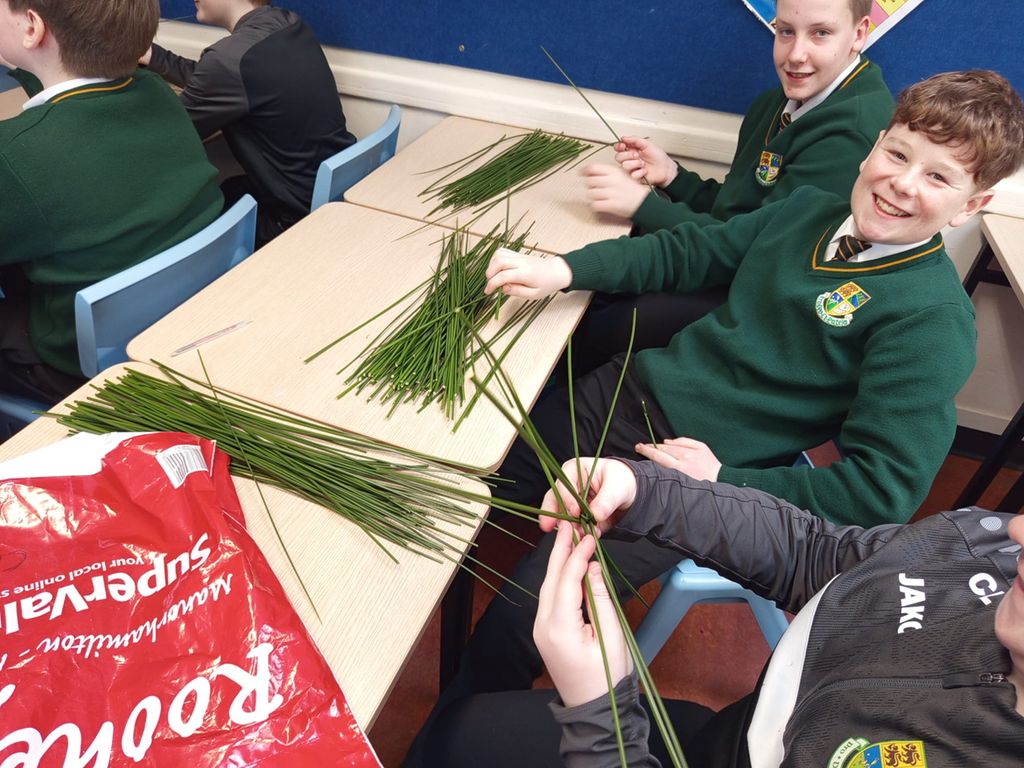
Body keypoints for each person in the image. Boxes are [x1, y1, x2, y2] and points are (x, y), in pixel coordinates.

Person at [403, 70, 1024, 765]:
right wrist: (565, 270)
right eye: (898, 154)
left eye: (938, 178)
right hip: (628, 393)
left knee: (526, 612)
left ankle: (443, 738)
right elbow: (690, 251)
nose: (903, 184)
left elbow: (883, 493)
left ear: (972, 205)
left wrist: (725, 480)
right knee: (454, 479)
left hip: (694, 479)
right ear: (874, 145)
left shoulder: (932, 320)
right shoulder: (807, 210)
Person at [427, 457, 1024, 766]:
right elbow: (818, 554)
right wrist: (645, 492)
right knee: (458, 735)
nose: (1018, 531)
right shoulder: (992, 546)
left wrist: (600, 717)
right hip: (726, 744)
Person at [568, 0, 894, 378]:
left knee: (615, 321)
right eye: (786, 31)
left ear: (858, 34)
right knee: (603, 288)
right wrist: (675, 177)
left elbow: (758, 252)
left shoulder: (849, 133)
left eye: (820, 33)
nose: (795, 54)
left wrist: (644, 206)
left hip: (769, 300)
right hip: (736, 260)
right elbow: (740, 213)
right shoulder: (781, 100)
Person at [0, 0, 222, 403]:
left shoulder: (14, 156)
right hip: (167, 323)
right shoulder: (155, 90)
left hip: (73, 363)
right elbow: (75, 105)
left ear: (32, 27)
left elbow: (35, 152)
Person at [143, 0, 357, 246]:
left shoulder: (229, 59)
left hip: (295, 221)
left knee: (193, 215)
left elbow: (170, 135)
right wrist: (154, 56)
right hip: (331, 191)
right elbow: (219, 81)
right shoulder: (287, 23)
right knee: (231, 188)